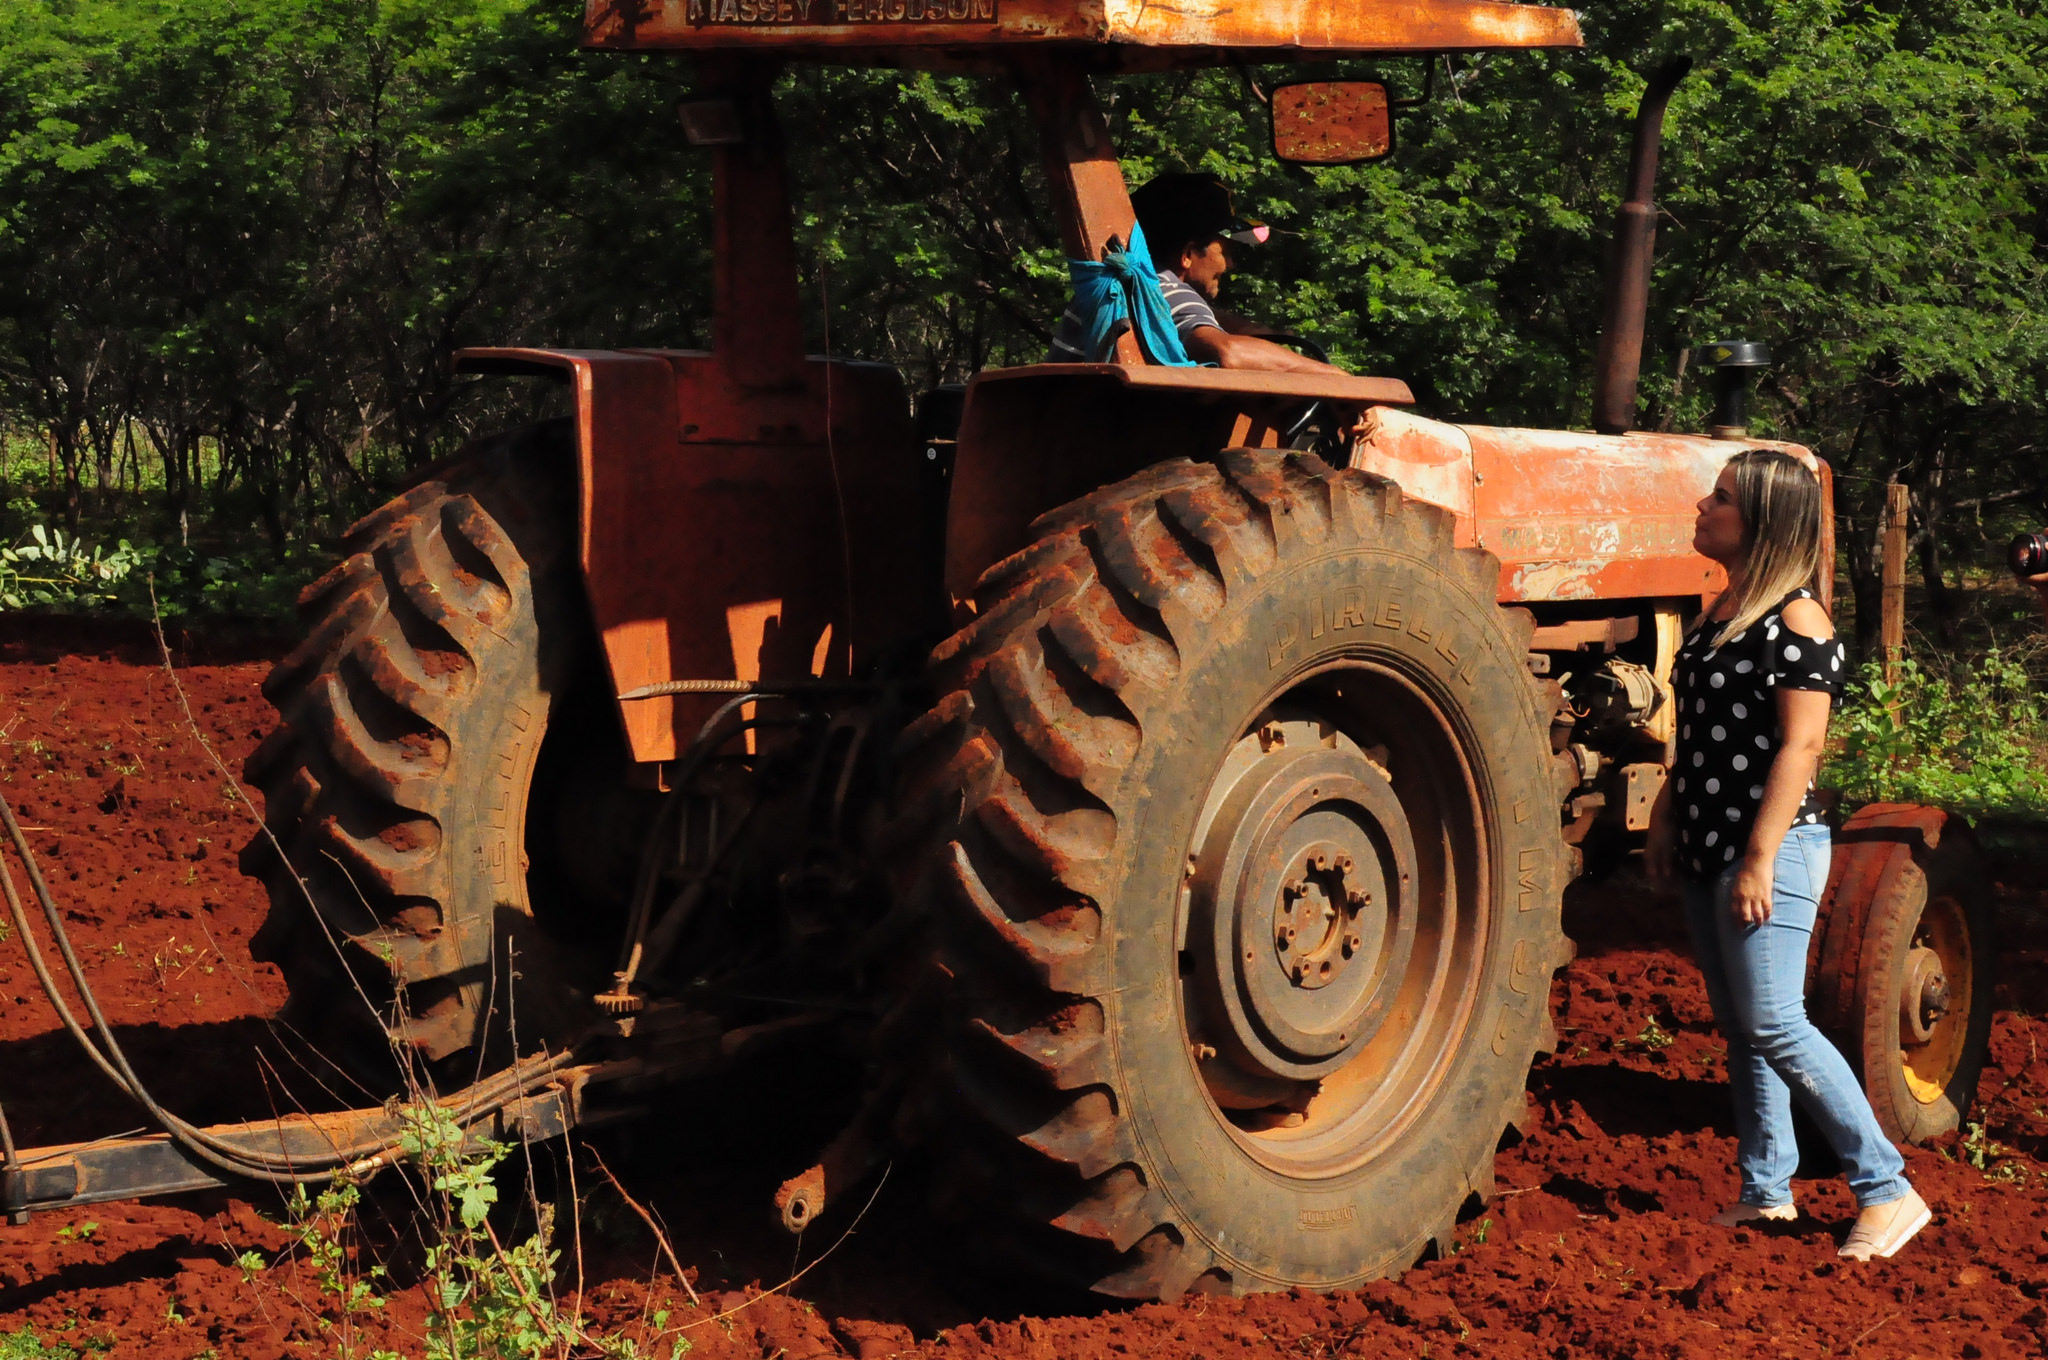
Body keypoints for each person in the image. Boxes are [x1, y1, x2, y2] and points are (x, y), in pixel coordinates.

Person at [1646, 448, 1931, 1263]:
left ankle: (1886, 1187)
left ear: (1765, 520)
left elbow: (1801, 749)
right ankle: (1766, 1191)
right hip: (1712, 842)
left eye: (1723, 498)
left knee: (1776, 1021)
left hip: (1771, 846)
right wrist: (1668, 816)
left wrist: (1761, 857)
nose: (1704, 506)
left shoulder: (1797, 621)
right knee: (1742, 1027)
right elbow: (1696, 736)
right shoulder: (1721, 611)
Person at [1048, 172, 1348, 376]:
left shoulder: (1131, 291)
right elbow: (1228, 354)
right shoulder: (1167, 292)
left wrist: (1265, 332)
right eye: (1226, 251)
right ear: (1188, 255)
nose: (1231, 265)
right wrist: (1336, 378)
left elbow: (1194, 320)